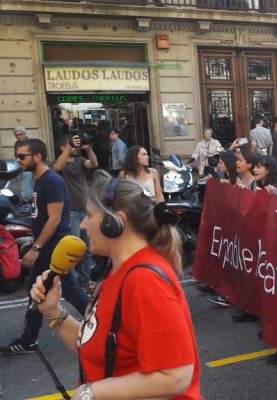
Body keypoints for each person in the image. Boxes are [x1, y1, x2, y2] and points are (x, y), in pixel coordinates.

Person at [29, 173, 202, 398]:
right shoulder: (121, 271)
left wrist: (90, 393)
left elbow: (175, 376)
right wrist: (53, 313)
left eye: (90, 215)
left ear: (115, 222)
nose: (82, 224)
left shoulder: (145, 282)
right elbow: (100, 350)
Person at [1, 139, 90, 355]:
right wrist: (34, 242)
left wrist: (37, 247)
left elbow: (55, 219)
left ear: (37, 157)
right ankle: (29, 339)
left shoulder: (51, 181)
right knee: (36, 293)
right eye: (17, 156)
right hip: (45, 248)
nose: (18, 160)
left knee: (72, 293)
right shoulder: (37, 180)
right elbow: (40, 217)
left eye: (22, 156)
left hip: (54, 250)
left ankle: (106, 327)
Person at [54, 134, 98, 290]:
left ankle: (85, 281)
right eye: (70, 144)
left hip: (85, 210)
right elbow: (57, 168)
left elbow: (93, 163)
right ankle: (71, 283)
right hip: (71, 212)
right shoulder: (61, 163)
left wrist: (89, 149)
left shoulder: (79, 161)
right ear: (62, 148)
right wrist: (68, 149)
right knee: (72, 250)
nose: (74, 146)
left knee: (87, 249)